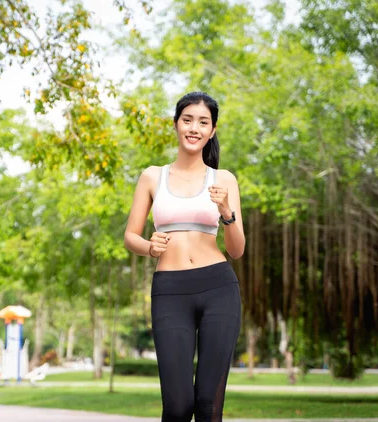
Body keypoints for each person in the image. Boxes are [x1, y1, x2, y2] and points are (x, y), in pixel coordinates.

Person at [123, 91, 245, 422]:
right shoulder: (152, 176)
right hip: (170, 291)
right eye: (187, 120)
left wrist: (226, 212)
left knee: (208, 406)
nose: (194, 128)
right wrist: (149, 246)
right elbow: (130, 235)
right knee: (177, 408)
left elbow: (236, 250)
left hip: (218, 288)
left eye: (203, 122)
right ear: (176, 124)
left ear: (212, 130)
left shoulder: (224, 180)